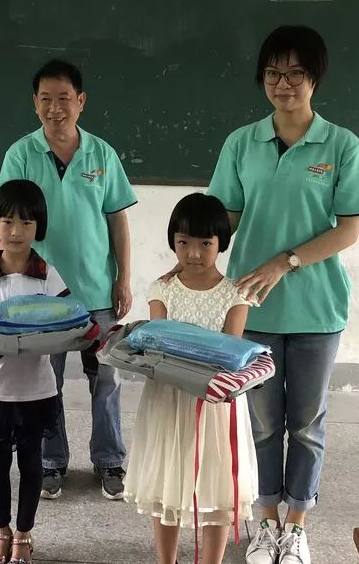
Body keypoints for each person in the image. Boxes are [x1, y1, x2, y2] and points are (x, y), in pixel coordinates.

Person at [207, 26, 359, 564]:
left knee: (306, 423)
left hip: (316, 307)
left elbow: (348, 230)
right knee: (260, 422)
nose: (283, 84)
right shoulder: (241, 143)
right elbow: (224, 219)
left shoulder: (342, 145)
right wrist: (192, 259)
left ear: (314, 79)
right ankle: (265, 523)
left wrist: (286, 262)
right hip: (251, 306)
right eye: (273, 73)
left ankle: (297, 526)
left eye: (295, 73)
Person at [0, 59, 137, 501]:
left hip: (97, 291)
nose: (54, 108)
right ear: (34, 103)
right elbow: (7, 222)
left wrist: (123, 279)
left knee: (106, 381)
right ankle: (51, 461)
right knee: (45, 382)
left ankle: (109, 461)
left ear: (81, 101)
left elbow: (118, 221)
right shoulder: (21, 155)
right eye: (46, 99)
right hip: (42, 294)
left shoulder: (102, 154)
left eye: (63, 99)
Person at [124, 193, 258, 564]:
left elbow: (230, 352)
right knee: (165, 481)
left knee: (217, 484)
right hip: (168, 398)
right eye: (183, 242)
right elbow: (158, 345)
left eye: (205, 244)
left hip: (215, 403)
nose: (193, 253)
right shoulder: (163, 289)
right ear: (173, 241)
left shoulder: (235, 294)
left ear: (221, 243)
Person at [0, 179, 68, 564]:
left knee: (32, 464)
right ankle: (0, 533)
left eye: (26, 223)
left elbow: (68, 323)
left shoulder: (47, 276)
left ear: (39, 227)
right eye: (7, 222)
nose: (16, 231)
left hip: (36, 390)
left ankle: (23, 534)